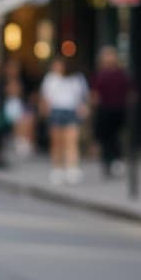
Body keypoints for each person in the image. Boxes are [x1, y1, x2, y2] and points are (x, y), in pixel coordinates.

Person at [40, 56, 89, 184]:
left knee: (71, 141)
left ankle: (72, 167)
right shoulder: (50, 79)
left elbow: (83, 96)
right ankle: (58, 168)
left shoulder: (76, 78)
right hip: (56, 111)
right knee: (57, 142)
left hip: (71, 111)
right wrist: (46, 110)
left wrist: (83, 108)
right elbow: (45, 97)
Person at [90, 46, 132, 178]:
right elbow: (95, 93)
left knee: (116, 136)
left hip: (119, 109)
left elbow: (131, 90)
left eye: (111, 55)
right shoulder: (99, 74)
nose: (109, 58)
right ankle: (107, 162)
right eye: (106, 56)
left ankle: (117, 160)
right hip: (104, 109)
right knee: (105, 138)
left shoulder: (121, 73)